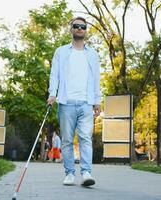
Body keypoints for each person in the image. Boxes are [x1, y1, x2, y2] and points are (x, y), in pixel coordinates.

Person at [47, 16, 101, 187]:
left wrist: (97, 101)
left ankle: (86, 173)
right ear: (71, 29)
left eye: (82, 27)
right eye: (76, 26)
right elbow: (54, 74)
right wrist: (52, 94)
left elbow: (96, 79)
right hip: (66, 102)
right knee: (67, 141)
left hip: (86, 103)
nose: (79, 29)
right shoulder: (61, 52)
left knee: (85, 139)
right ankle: (69, 173)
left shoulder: (92, 54)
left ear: (86, 30)